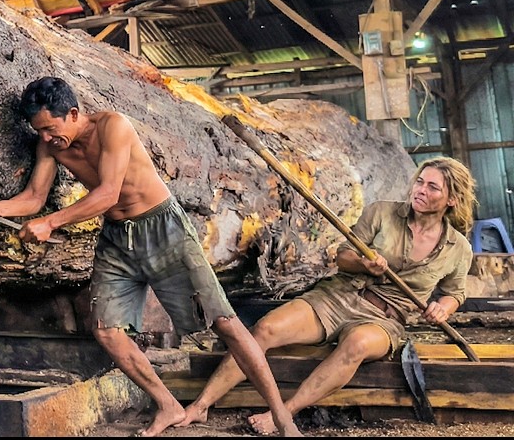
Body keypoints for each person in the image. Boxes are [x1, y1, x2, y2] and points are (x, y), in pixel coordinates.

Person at [0, 76, 300, 437]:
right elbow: (34, 196)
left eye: (49, 128)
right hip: (116, 239)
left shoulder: (113, 126)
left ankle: (283, 418)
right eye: (39, 131)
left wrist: (50, 222)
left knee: (224, 323)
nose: (45, 138)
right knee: (108, 331)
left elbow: (108, 193)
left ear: (74, 112)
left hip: (162, 229)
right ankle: (169, 405)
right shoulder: (49, 146)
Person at [177, 156, 476, 434]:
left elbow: (454, 293)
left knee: (357, 343)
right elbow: (342, 256)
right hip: (338, 297)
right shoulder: (382, 212)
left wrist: (443, 309)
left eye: (432, 187)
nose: (420, 190)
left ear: (452, 199)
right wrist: (363, 264)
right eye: (420, 181)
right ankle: (200, 406)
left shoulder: (458, 248)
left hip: (384, 319)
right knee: (266, 328)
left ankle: (284, 413)